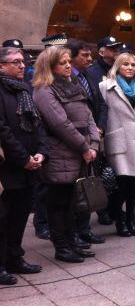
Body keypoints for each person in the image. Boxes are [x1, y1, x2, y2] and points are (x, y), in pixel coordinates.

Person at [32, 46, 100, 263]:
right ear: (50, 66)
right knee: (58, 203)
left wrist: (94, 145)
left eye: (69, 61)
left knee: (72, 202)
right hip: (61, 152)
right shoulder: (44, 89)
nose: (69, 65)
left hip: (81, 151)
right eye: (63, 63)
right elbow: (60, 124)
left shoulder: (73, 84)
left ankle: (72, 242)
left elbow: (88, 116)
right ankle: (61, 247)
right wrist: (84, 147)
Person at [0, 47, 46, 283]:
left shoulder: (24, 90)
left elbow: (36, 124)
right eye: (15, 62)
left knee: (19, 216)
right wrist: (23, 158)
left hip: (29, 164)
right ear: (1, 66)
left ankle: (14, 258)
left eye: (23, 61)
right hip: (8, 166)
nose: (22, 65)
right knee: (3, 217)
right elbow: (3, 132)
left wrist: (40, 152)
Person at [99, 52, 135, 236]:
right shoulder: (105, 86)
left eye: (133, 64)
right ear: (117, 66)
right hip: (118, 142)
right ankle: (119, 220)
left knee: (133, 186)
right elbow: (101, 114)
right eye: (125, 64)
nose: (130, 68)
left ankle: (131, 218)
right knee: (119, 186)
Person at [65, 39, 108, 245]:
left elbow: (101, 103)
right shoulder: (64, 79)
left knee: (89, 185)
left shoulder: (89, 75)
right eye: (84, 55)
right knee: (75, 190)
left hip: (93, 138)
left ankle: (85, 228)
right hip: (75, 142)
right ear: (70, 57)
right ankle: (72, 231)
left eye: (90, 55)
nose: (90, 59)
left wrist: (99, 127)